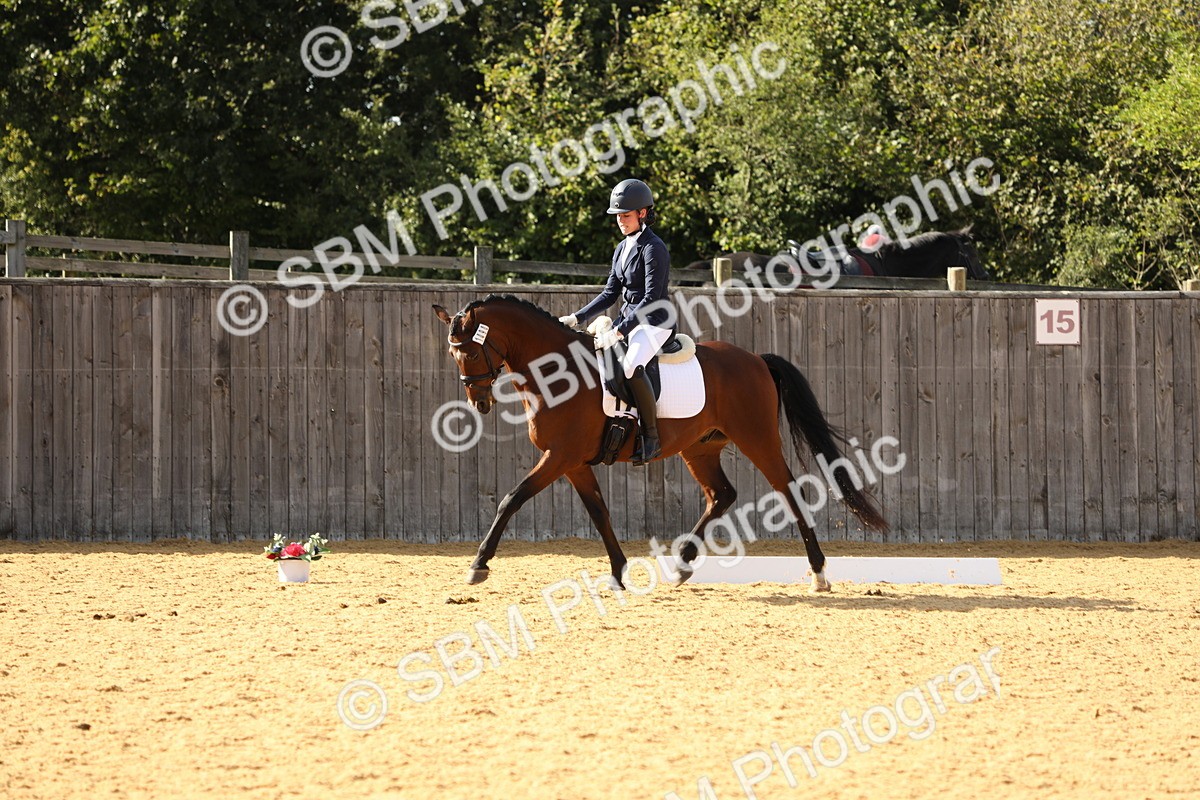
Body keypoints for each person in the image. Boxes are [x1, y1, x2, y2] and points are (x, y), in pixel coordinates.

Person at [558, 178, 675, 465]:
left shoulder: (653, 248)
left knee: (632, 366)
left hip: (655, 323)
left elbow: (650, 298)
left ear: (642, 213)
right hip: (629, 319)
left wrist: (621, 331)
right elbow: (610, 293)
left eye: (626, 215)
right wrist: (578, 317)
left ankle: (651, 437)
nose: (621, 221)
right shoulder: (622, 248)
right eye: (618, 216)